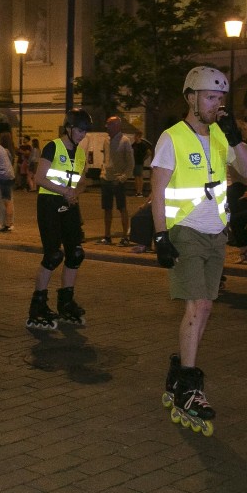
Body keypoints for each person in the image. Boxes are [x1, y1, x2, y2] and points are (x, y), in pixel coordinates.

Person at [151, 66, 247, 435]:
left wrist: (236, 138)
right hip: (187, 231)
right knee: (196, 305)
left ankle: (179, 370)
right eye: (210, 97)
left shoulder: (220, 136)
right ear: (191, 97)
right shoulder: (172, 137)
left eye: (220, 99)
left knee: (207, 306)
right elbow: (159, 190)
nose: (216, 105)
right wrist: (161, 235)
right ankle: (189, 388)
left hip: (216, 233)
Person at [26, 108, 92, 329]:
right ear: (69, 128)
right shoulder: (53, 147)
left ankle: (66, 302)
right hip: (49, 204)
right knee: (53, 255)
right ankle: (38, 306)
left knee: (75, 253)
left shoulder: (81, 153)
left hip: (69, 203)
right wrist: (64, 191)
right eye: (80, 131)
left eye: (85, 132)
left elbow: (82, 181)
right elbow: (40, 178)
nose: (82, 135)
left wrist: (75, 193)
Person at [95, 116, 134, 246]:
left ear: (117, 126)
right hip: (106, 179)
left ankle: (125, 237)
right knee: (107, 209)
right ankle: (107, 236)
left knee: (122, 208)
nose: (107, 127)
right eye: (107, 124)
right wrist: (102, 172)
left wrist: (123, 177)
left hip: (118, 181)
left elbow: (130, 163)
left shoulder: (125, 141)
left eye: (110, 124)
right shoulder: (106, 140)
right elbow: (106, 158)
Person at [132, 132, 153, 197]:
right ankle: (137, 191)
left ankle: (140, 192)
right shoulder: (134, 144)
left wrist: (143, 159)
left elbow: (149, 152)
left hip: (139, 162)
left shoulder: (143, 145)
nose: (134, 137)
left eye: (135, 136)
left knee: (139, 177)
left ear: (139, 136)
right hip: (135, 162)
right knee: (136, 177)